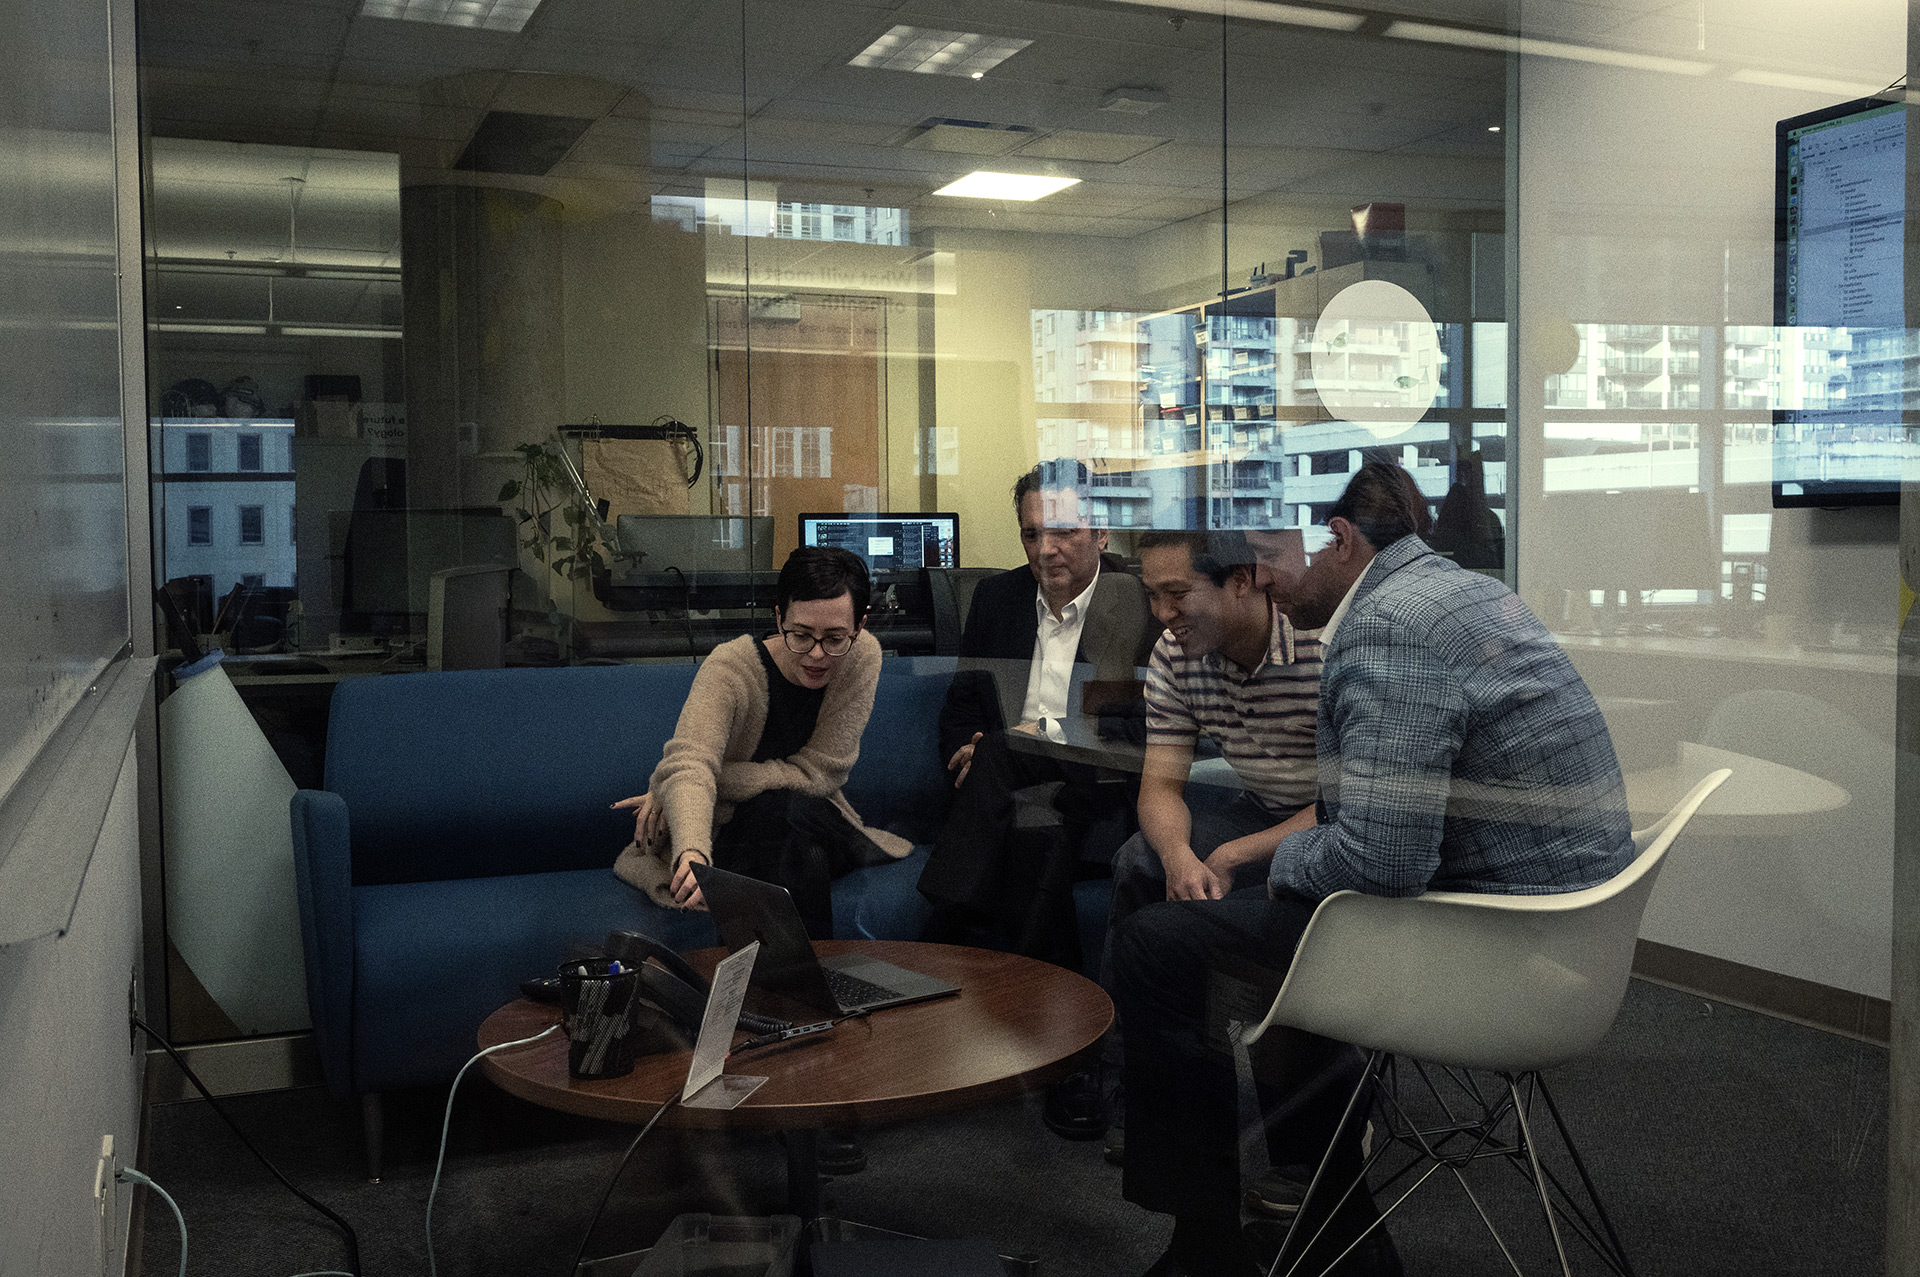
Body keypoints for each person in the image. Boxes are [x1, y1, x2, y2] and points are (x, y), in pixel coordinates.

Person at [1114, 462, 1636, 1277]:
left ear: (1340, 540)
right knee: (1273, 927)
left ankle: (1211, 1243)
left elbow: (1383, 858)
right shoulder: (1443, 591)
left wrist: (1276, 859)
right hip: (1562, 932)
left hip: (1500, 948)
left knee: (1157, 945)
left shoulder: (1391, 623)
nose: (1267, 580)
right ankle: (1331, 1233)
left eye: (1277, 557)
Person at [917, 458, 1157, 960]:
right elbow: (962, 706)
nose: (1046, 550)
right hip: (1008, 796)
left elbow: (1138, 725)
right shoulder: (996, 598)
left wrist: (1033, 736)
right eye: (1031, 535)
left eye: (1064, 532)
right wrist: (967, 750)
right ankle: (1057, 1018)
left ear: (1102, 532)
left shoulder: (1141, 603)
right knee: (1034, 831)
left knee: (1011, 767)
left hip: (1098, 793)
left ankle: (938, 938)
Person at [612, 546, 911, 936]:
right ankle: (810, 986)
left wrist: (668, 788)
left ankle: (754, 990)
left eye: (835, 638)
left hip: (820, 819)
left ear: (860, 625)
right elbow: (691, 763)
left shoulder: (863, 656)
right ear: (778, 617)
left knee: (785, 812)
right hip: (739, 834)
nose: (817, 655)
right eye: (800, 635)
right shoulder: (730, 667)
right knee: (790, 842)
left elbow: (821, 775)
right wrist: (692, 851)